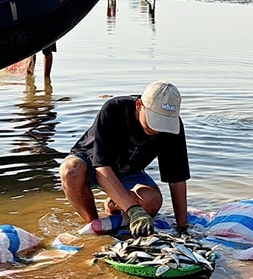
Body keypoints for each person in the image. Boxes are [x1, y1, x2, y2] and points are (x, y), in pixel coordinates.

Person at [59, 80, 189, 235]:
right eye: (154, 120)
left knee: (152, 202)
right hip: (93, 165)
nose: (157, 129)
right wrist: (134, 210)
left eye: (164, 123)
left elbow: (177, 179)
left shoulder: (173, 128)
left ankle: (114, 205)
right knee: (70, 170)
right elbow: (102, 167)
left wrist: (183, 227)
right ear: (140, 105)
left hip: (129, 170)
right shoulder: (114, 109)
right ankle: (96, 227)